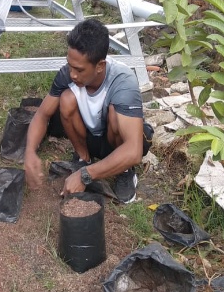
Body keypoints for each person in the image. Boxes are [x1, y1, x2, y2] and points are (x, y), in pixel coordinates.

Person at [24, 19, 153, 203]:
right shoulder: (67, 75)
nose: (72, 74)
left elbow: (133, 150)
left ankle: (124, 171)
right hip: (89, 138)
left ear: (100, 66)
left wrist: (85, 176)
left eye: (79, 69)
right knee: (67, 99)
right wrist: (30, 151)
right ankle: (83, 158)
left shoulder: (123, 82)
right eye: (70, 65)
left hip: (116, 143)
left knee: (116, 113)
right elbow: (43, 114)